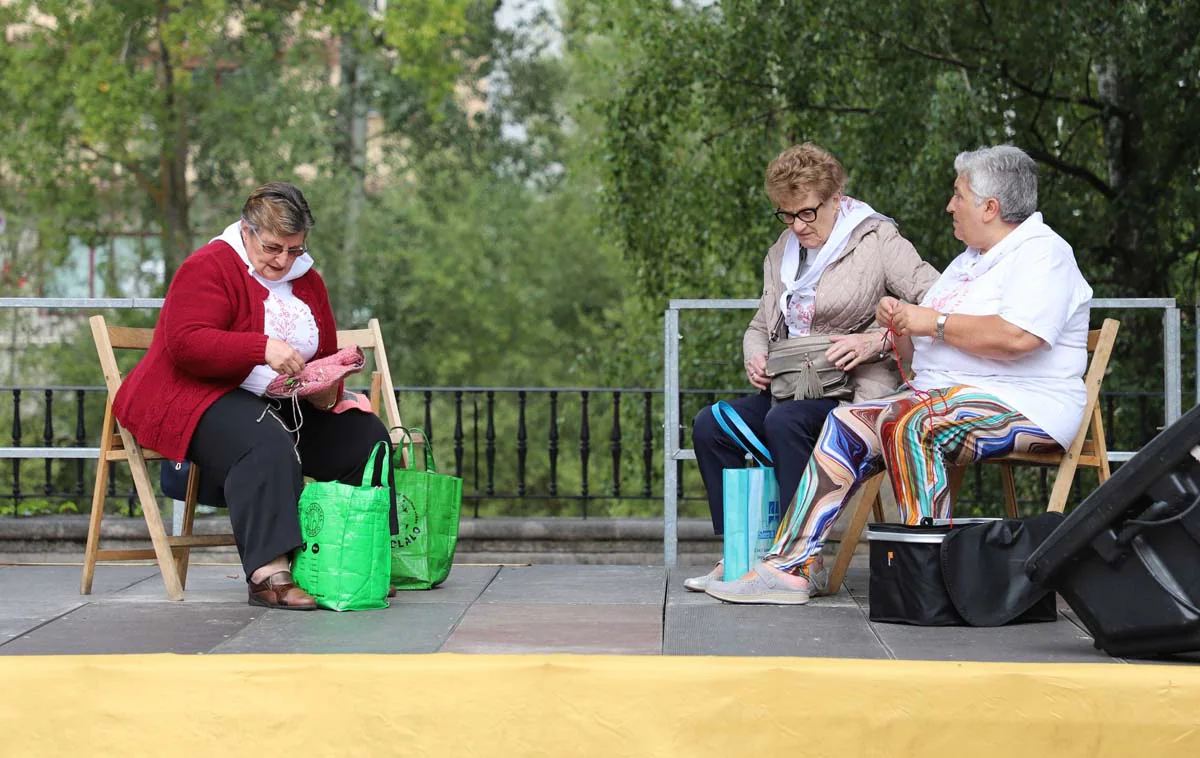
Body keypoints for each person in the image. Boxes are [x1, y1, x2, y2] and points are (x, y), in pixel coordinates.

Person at [705, 144, 1093, 605]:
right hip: (941, 395)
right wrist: (899, 325)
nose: (950, 205)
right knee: (847, 422)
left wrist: (932, 322)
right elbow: (919, 348)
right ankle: (792, 566)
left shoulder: (1043, 254)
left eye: (958, 195)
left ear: (990, 208)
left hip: (1025, 406)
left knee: (910, 422)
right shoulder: (968, 263)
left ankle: (931, 578)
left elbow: (1018, 338)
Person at [114, 183, 394, 610]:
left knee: (364, 434)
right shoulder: (208, 266)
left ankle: (357, 559)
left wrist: (326, 389)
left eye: (295, 250)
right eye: (272, 247)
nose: (283, 261)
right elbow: (186, 343)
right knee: (263, 436)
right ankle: (269, 573)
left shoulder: (309, 281)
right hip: (198, 395)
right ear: (246, 232)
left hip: (284, 402)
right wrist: (259, 347)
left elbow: (323, 353)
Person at [686, 143, 939, 591]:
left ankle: (801, 562)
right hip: (789, 387)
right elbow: (759, 325)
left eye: (806, 213)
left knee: (785, 423)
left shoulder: (877, 239)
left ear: (836, 196)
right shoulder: (782, 249)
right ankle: (741, 554)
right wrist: (755, 354)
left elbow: (935, 300)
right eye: (785, 214)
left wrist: (873, 342)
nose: (798, 226)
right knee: (711, 426)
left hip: (855, 396)